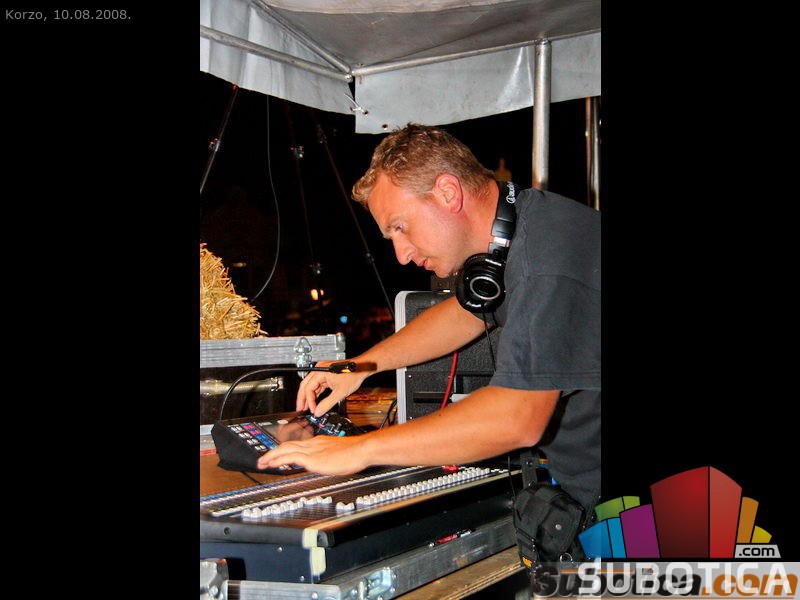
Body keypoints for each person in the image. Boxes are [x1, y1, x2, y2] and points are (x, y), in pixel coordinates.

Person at [257, 123, 601, 514]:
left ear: (447, 193)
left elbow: (516, 418)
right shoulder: (530, 227)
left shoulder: (544, 263)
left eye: (400, 227)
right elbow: (465, 314)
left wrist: (358, 449)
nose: (402, 255)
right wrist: (360, 366)